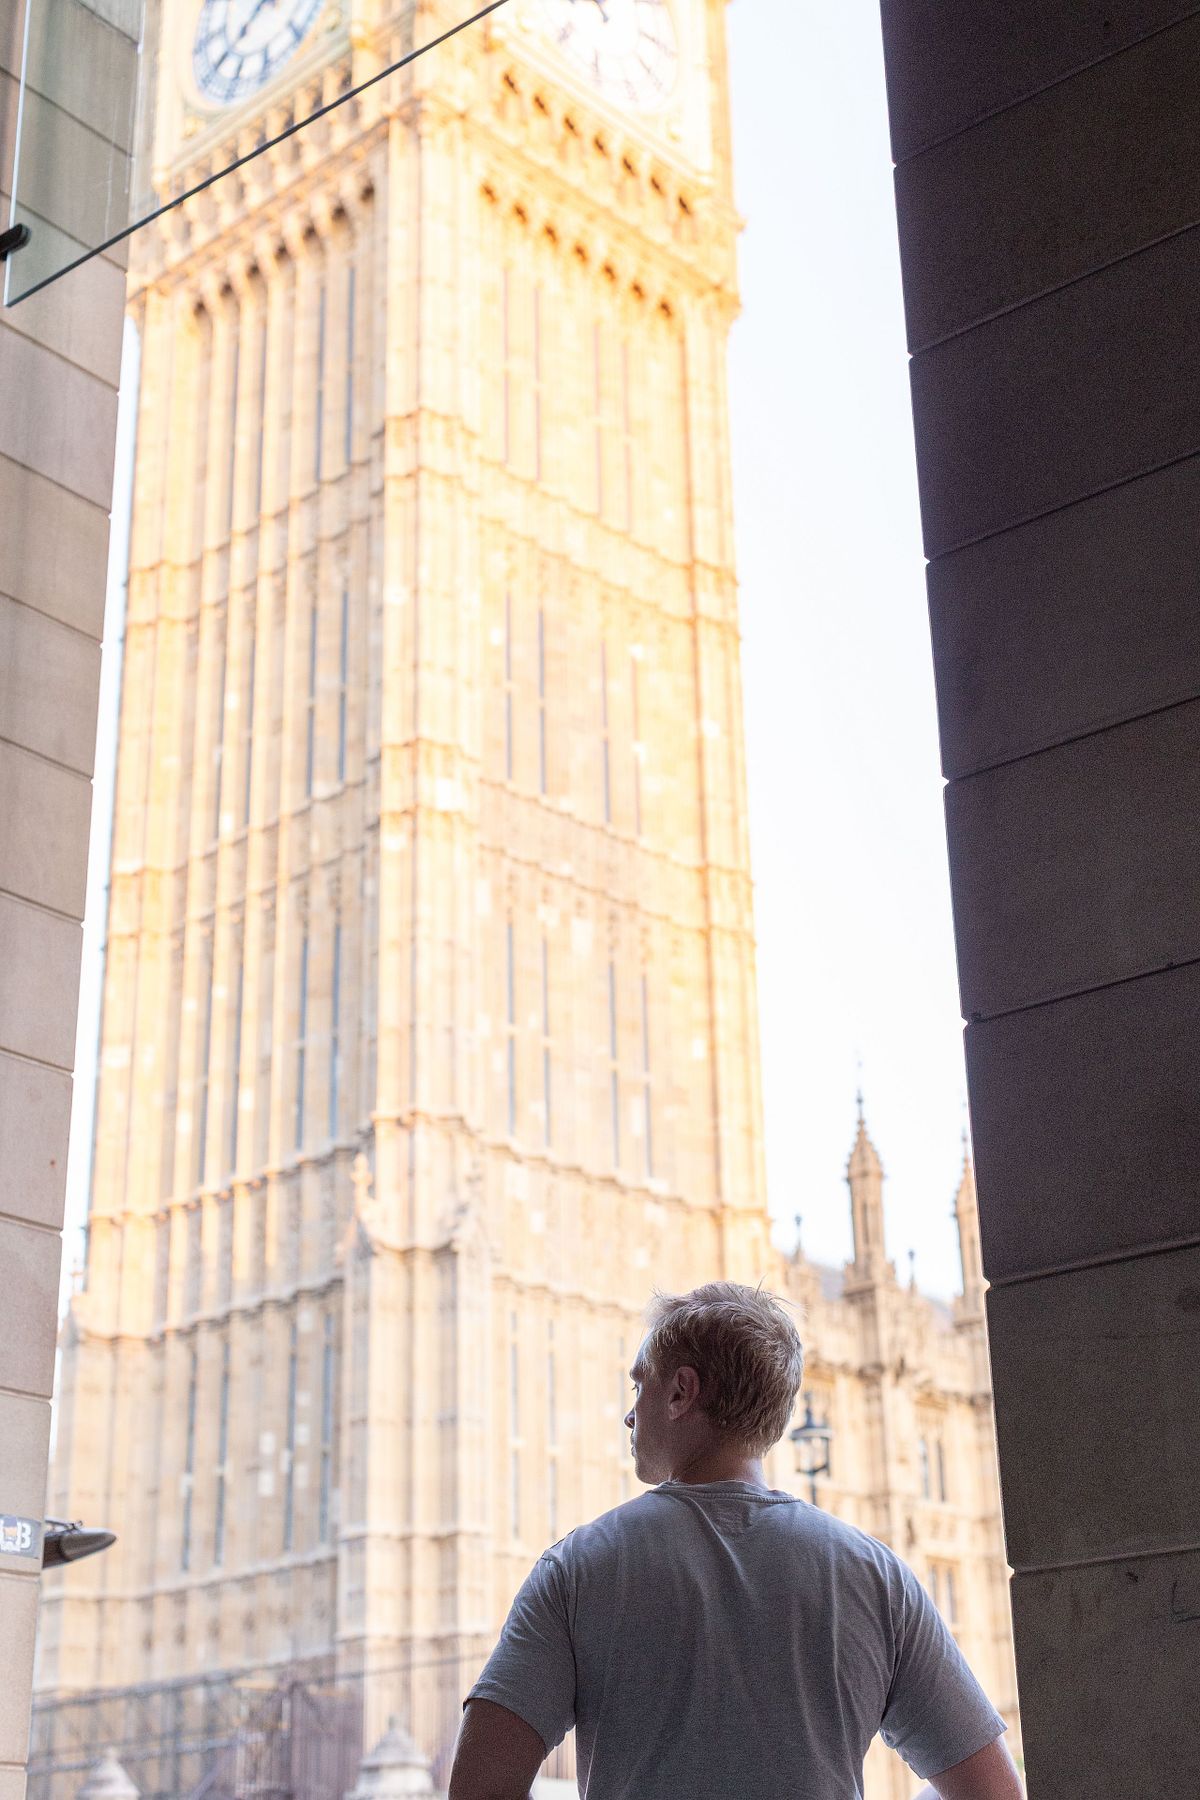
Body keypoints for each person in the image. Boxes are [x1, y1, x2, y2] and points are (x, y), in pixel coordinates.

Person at [448, 1281, 1025, 1800]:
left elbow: (478, 1791)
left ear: (681, 1393)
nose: (629, 1414)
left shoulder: (576, 1571)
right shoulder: (877, 1578)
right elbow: (995, 1793)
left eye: (640, 1383)